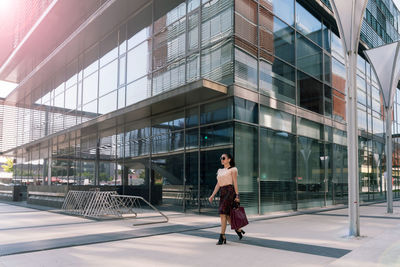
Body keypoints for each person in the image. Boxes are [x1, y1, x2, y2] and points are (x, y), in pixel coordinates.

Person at [208, 153, 245, 245]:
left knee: (222, 213)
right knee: (227, 215)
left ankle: (222, 236)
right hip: (222, 192)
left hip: (229, 192)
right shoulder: (220, 171)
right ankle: (238, 230)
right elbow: (218, 184)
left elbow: (235, 183)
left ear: (229, 160)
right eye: (221, 158)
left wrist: (237, 195)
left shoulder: (233, 169)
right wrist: (212, 195)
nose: (222, 159)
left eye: (223, 158)